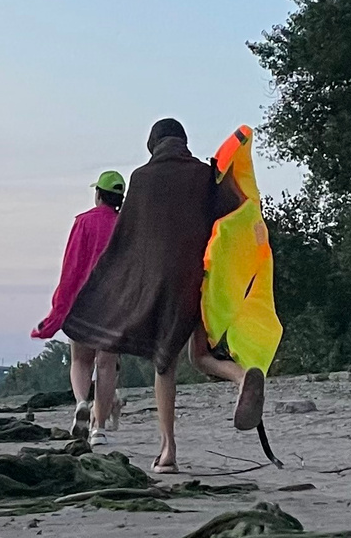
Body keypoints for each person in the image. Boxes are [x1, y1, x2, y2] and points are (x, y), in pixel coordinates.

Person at [61, 117, 264, 471]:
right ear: (183, 142)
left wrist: (113, 287)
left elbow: (128, 239)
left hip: (165, 284)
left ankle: (168, 450)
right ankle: (241, 376)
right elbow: (229, 218)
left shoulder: (141, 179)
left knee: (165, 363)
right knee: (200, 356)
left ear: (153, 146)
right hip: (205, 279)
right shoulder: (205, 175)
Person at [32, 171, 126, 441]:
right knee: (107, 364)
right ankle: (99, 428)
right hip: (114, 303)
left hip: (83, 301)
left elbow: (71, 267)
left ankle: (82, 403)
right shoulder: (125, 226)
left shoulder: (83, 222)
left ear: (98, 195)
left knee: (80, 361)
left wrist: (59, 306)